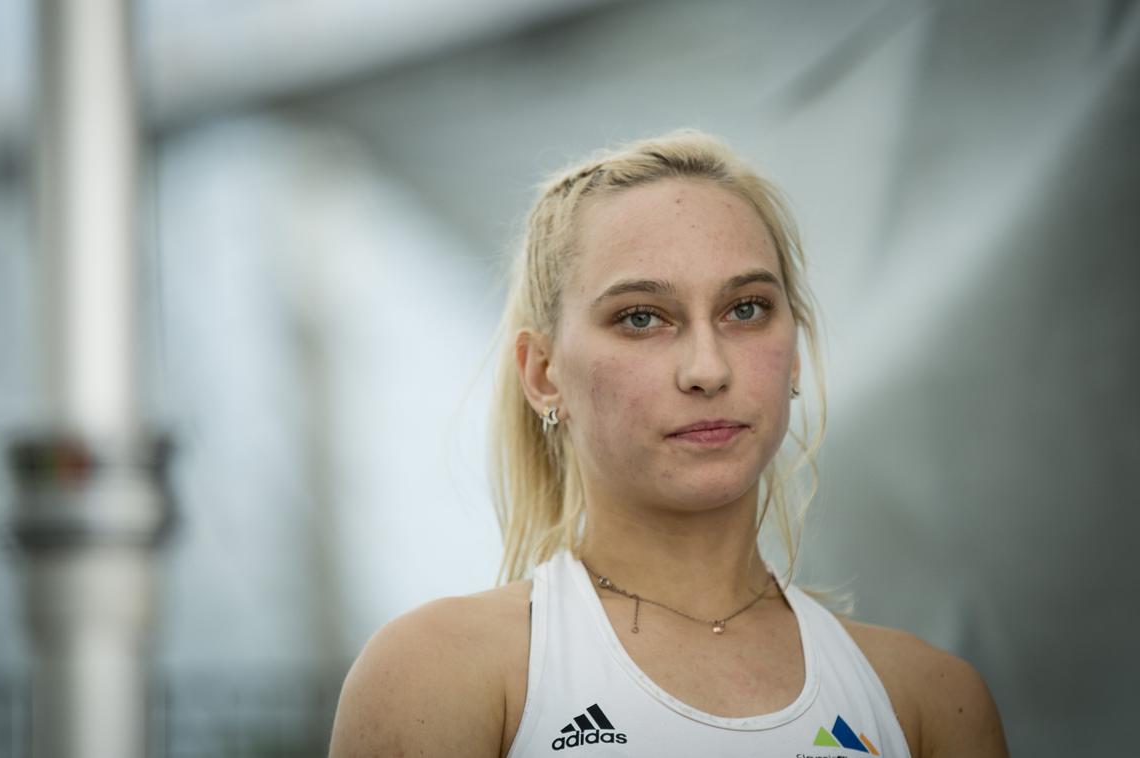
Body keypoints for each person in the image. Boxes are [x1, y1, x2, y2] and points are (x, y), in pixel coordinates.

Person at [328, 129, 1009, 757]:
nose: (708, 369)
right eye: (642, 318)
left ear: (794, 354)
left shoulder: (927, 701)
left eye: (746, 309)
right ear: (544, 374)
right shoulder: (441, 674)